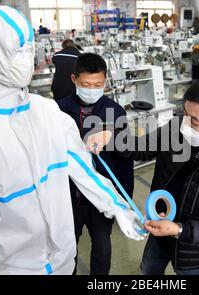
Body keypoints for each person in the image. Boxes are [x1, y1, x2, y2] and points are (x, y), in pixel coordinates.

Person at [0, 6, 143, 275]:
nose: (26, 59)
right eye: (16, 51)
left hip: (63, 260)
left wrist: (116, 205)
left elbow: (84, 168)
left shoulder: (48, 112)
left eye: (29, 49)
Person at [88, 75, 199, 275]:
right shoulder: (176, 128)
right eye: (184, 113)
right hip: (157, 231)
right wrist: (111, 137)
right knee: (148, 271)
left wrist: (179, 229)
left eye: (194, 121)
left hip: (195, 253)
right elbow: (140, 148)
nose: (185, 124)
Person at [57, 53, 134, 275]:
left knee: (102, 246)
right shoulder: (58, 111)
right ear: (74, 80)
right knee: (66, 246)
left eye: (98, 84)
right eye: (86, 84)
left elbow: (124, 159)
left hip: (101, 197)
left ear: (106, 80)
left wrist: (123, 199)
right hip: (68, 196)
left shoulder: (115, 112)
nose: (92, 89)